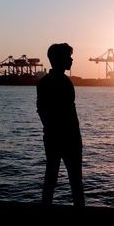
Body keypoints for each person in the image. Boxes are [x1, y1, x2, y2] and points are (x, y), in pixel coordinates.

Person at [36, 43, 85, 207]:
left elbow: (42, 111)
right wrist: (75, 139)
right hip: (70, 139)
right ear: (60, 59)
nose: (71, 60)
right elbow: (69, 114)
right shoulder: (65, 82)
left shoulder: (43, 83)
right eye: (68, 57)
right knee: (76, 182)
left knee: (50, 178)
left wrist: (50, 131)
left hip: (51, 138)